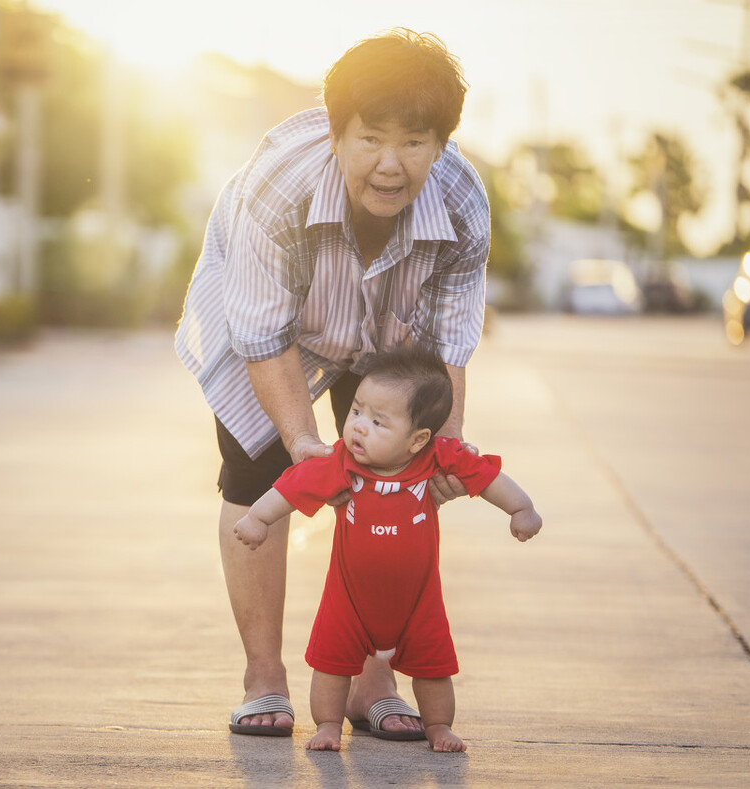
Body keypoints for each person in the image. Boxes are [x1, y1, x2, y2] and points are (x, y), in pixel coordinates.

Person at [174, 29, 491, 737]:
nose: (390, 164)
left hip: (390, 327)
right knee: (254, 470)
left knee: (395, 472)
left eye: (413, 143)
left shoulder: (464, 202)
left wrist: (444, 442)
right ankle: (264, 676)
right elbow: (262, 333)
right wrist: (302, 442)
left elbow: (450, 336)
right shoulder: (277, 187)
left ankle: (370, 678)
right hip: (280, 316)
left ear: (441, 143)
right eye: (370, 139)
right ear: (335, 131)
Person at [233, 346, 543, 752]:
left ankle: (439, 728)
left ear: (418, 440)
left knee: (434, 669)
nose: (359, 426)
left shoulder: (438, 459)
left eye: (378, 422)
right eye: (357, 411)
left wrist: (521, 508)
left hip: (418, 601)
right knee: (330, 664)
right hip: (349, 599)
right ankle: (327, 724)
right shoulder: (341, 462)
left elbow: (486, 476)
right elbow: (293, 486)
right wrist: (259, 518)